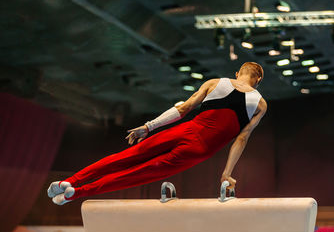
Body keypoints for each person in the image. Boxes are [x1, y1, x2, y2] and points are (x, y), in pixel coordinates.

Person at [48, 62, 267, 205]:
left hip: (183, 130)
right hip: (198, 150)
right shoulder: (259, 104)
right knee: (137, 173)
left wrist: (149, 126)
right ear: (258, 81)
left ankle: (71, 181)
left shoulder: (215, 83)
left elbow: (183, 109)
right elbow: (241, 138)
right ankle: (75, 193)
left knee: (123, 158)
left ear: (237, 73)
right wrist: (226, 173)